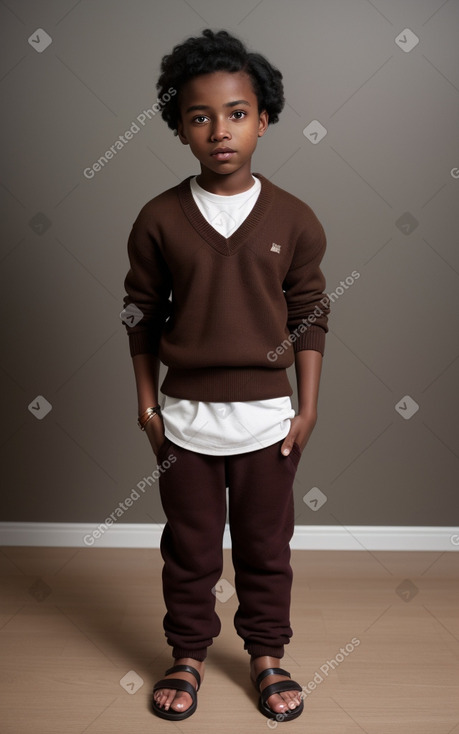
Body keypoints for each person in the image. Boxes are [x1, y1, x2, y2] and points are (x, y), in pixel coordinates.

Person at [122, 28, 330, 722]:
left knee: (266, 545)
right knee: (189, 546)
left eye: (237, 113)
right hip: (183, 419)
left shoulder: (295, 218)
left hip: (269, 417)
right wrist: (148, 409)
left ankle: (266, 655)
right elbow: (139, 316)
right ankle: (187, 654)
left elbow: (310, 312)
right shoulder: (158, 219)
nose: (220, 130)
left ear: (263, 119)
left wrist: (307, 409)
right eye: (199, 115)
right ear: (179, 128)